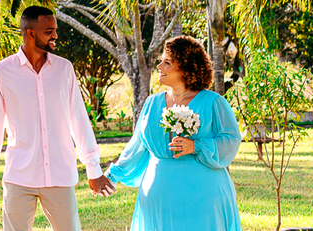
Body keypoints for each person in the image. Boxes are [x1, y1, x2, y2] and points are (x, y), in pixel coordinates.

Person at [0, 5, 114, 231]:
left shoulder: (64, 69)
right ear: (31, 34)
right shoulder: (1, 73)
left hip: (60, 175)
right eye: (48, 31)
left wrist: (93, 168)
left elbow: (79, 120)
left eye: (55, 30)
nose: (55, 35)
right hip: (19, 177)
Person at [104, 35, 242, 231]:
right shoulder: (152, 103)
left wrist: (196, 146)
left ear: (186, 68)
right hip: (158, 200)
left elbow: (231, 141)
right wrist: (111, 175)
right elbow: (137, 147)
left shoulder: (213, 102)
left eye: (166, 62)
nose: (159, 66)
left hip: (204, 199)